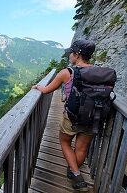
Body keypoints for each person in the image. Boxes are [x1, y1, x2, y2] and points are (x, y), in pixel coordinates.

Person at [32, 39, 96, 192]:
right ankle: (73, 171)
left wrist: (36, 86)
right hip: (93, 117)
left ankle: (76, 174)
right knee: (81, 148)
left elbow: (47, 90)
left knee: (65, 142)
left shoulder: (67, 72)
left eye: (71, 54)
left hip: (72, 116)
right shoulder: (97, 71)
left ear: (77, 55)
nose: (69, 56)